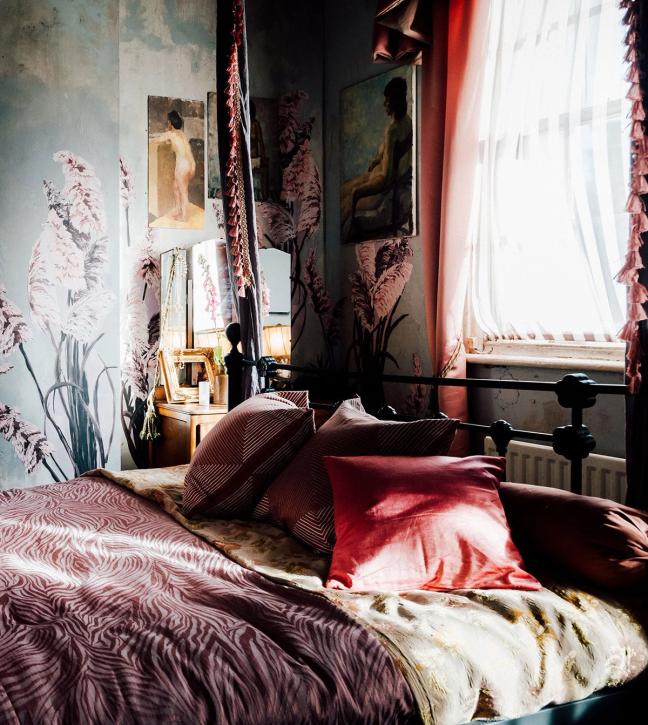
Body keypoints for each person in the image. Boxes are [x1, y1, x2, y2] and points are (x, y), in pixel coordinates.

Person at [341, 76, 413, 233]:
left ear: (394, 102)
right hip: (373, 175)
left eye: (387, 101)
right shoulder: (406, 122)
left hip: (380, 186)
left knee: (346, 200)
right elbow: (391, 155)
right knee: (342, 190)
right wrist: (377, 160)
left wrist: (359, 192)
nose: (384, 104)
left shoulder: (392, 131)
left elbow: (386, 178)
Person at [151, 110, 196, 222]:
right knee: (175, 187)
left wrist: (164, 135)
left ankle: (184, 217)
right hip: (190, 164)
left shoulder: (170, 134)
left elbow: (156, 140)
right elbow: (185, 148)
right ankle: (178, 209)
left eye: (168, 122)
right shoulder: (181, 133)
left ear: (170, 123)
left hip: (182, 167)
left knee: (183, 191)